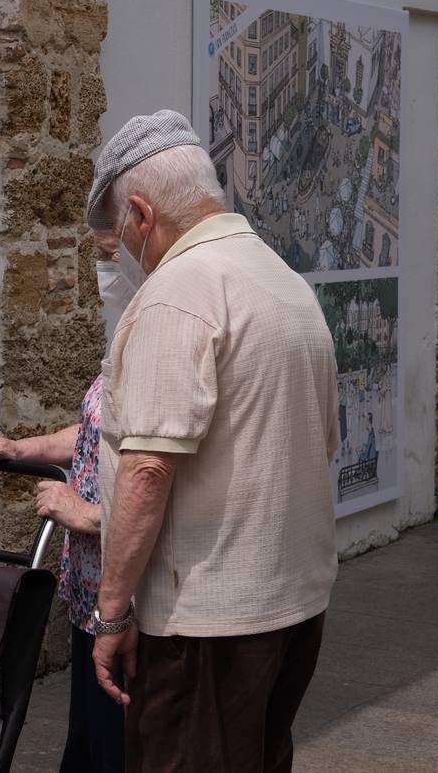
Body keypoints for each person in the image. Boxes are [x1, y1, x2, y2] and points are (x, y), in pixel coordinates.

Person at [84, 111, 338, 772]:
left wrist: (111, 617)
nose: (122, 251)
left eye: (118, 231)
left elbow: (146, 473)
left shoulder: (179, 293)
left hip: (206, 625)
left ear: (140, 214)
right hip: (291, 609)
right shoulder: (283, 282)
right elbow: (322, 443)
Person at [0, 230, 130, 773]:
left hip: (127, 605)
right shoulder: (127, 333)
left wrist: (85, 513)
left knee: (115, 750)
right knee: (84, 745)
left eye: (110, 256)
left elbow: (167, 481)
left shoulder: (164, 338)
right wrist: (16, 447)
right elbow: (91, 432)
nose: (102, 270)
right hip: (89, 599)